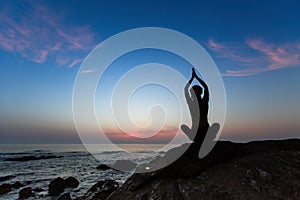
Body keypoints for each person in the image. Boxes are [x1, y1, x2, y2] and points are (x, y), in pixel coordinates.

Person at [181, 68, 210, 144]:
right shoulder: (192, 103)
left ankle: (205, 138)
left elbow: (206, 88)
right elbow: (186, 89)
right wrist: (193, 77)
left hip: (204, 131)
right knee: (183, 126)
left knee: (216, 126)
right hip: (196, 132)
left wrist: (195, 77)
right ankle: (203, 138)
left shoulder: (203, 101)